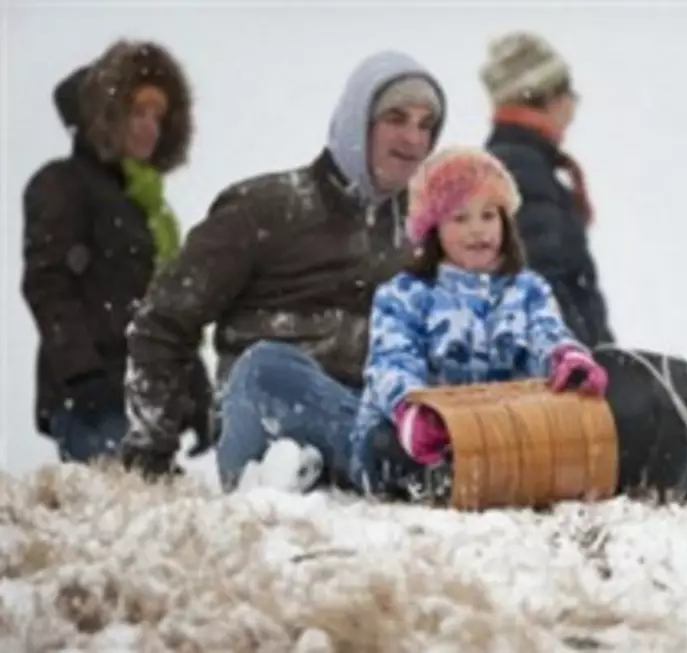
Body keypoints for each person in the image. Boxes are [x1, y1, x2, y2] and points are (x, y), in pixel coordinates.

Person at [120, 50, 447, 484]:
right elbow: (162, 322)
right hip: (272, 440)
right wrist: (151, 449)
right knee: (266, 369)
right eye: (396, 118)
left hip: (375, 419)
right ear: (357, 120)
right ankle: (404, 463)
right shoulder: (265, 210)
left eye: (426, 126)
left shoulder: (424, 230)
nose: (412, 139)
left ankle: (402, 458)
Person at [346, 146, 609, 495]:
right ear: (433, 230)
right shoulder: (405, 295)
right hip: (430, 431)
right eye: (460, 218)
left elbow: (545, 332)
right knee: (384, 446)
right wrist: (411, 409)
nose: (477, 230)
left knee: (576, 421)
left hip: (499, 430)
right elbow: (390, 363)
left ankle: (509, 472)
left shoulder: (527, 289)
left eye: (488, 215)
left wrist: (564, 357)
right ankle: (428, 480)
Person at [21, 39, 194, 464]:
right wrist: (83, 376)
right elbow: (47, 284)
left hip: (145, 401)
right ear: (107, 117)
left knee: (156, 522)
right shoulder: (64, 183)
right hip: (91, 404)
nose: (151, 126)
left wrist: (195, 392)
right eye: (138, 112)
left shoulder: (147, 206)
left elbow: (168, 308)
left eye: (159, 115)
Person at [479, 31, 615, 349]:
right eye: (569, 91)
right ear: (547, 97)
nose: (574, 104)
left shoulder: (522, 162)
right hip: (558, 370)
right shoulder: (524, 170)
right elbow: (544, 281)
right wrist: (588, 360)